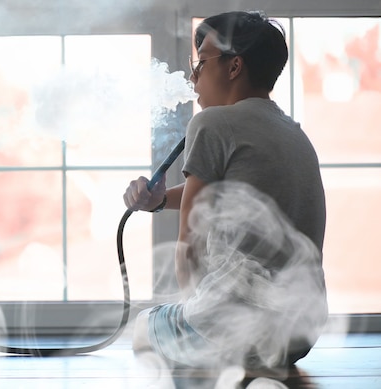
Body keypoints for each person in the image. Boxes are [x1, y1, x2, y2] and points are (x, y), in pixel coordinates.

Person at [124, 10, 328, 370]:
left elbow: (188, 246)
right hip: (299, 334)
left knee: (143, 328)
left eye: (202, 62)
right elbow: (226, 190)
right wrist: (158, 201)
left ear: (234, 67)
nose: (193, 76)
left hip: (235, 331)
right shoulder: (293, 131)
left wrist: (195, 310)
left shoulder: (211, 122)